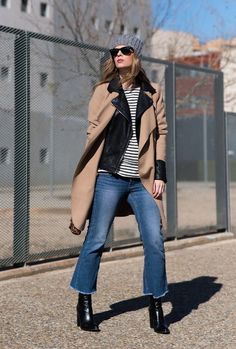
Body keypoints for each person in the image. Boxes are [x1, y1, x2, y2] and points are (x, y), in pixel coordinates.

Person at [69, 34, 169, 334]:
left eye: (125, 50)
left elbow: (161, 133)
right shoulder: (103, 91)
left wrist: (160, 172)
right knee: (96, 239)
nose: (118, 55)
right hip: (109, 176)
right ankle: (84, 302)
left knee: (154, 240)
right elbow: (93, 131)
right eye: (114, 51)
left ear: (136, 55)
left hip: (143, 179)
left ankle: (156, 304)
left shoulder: (153, 92)